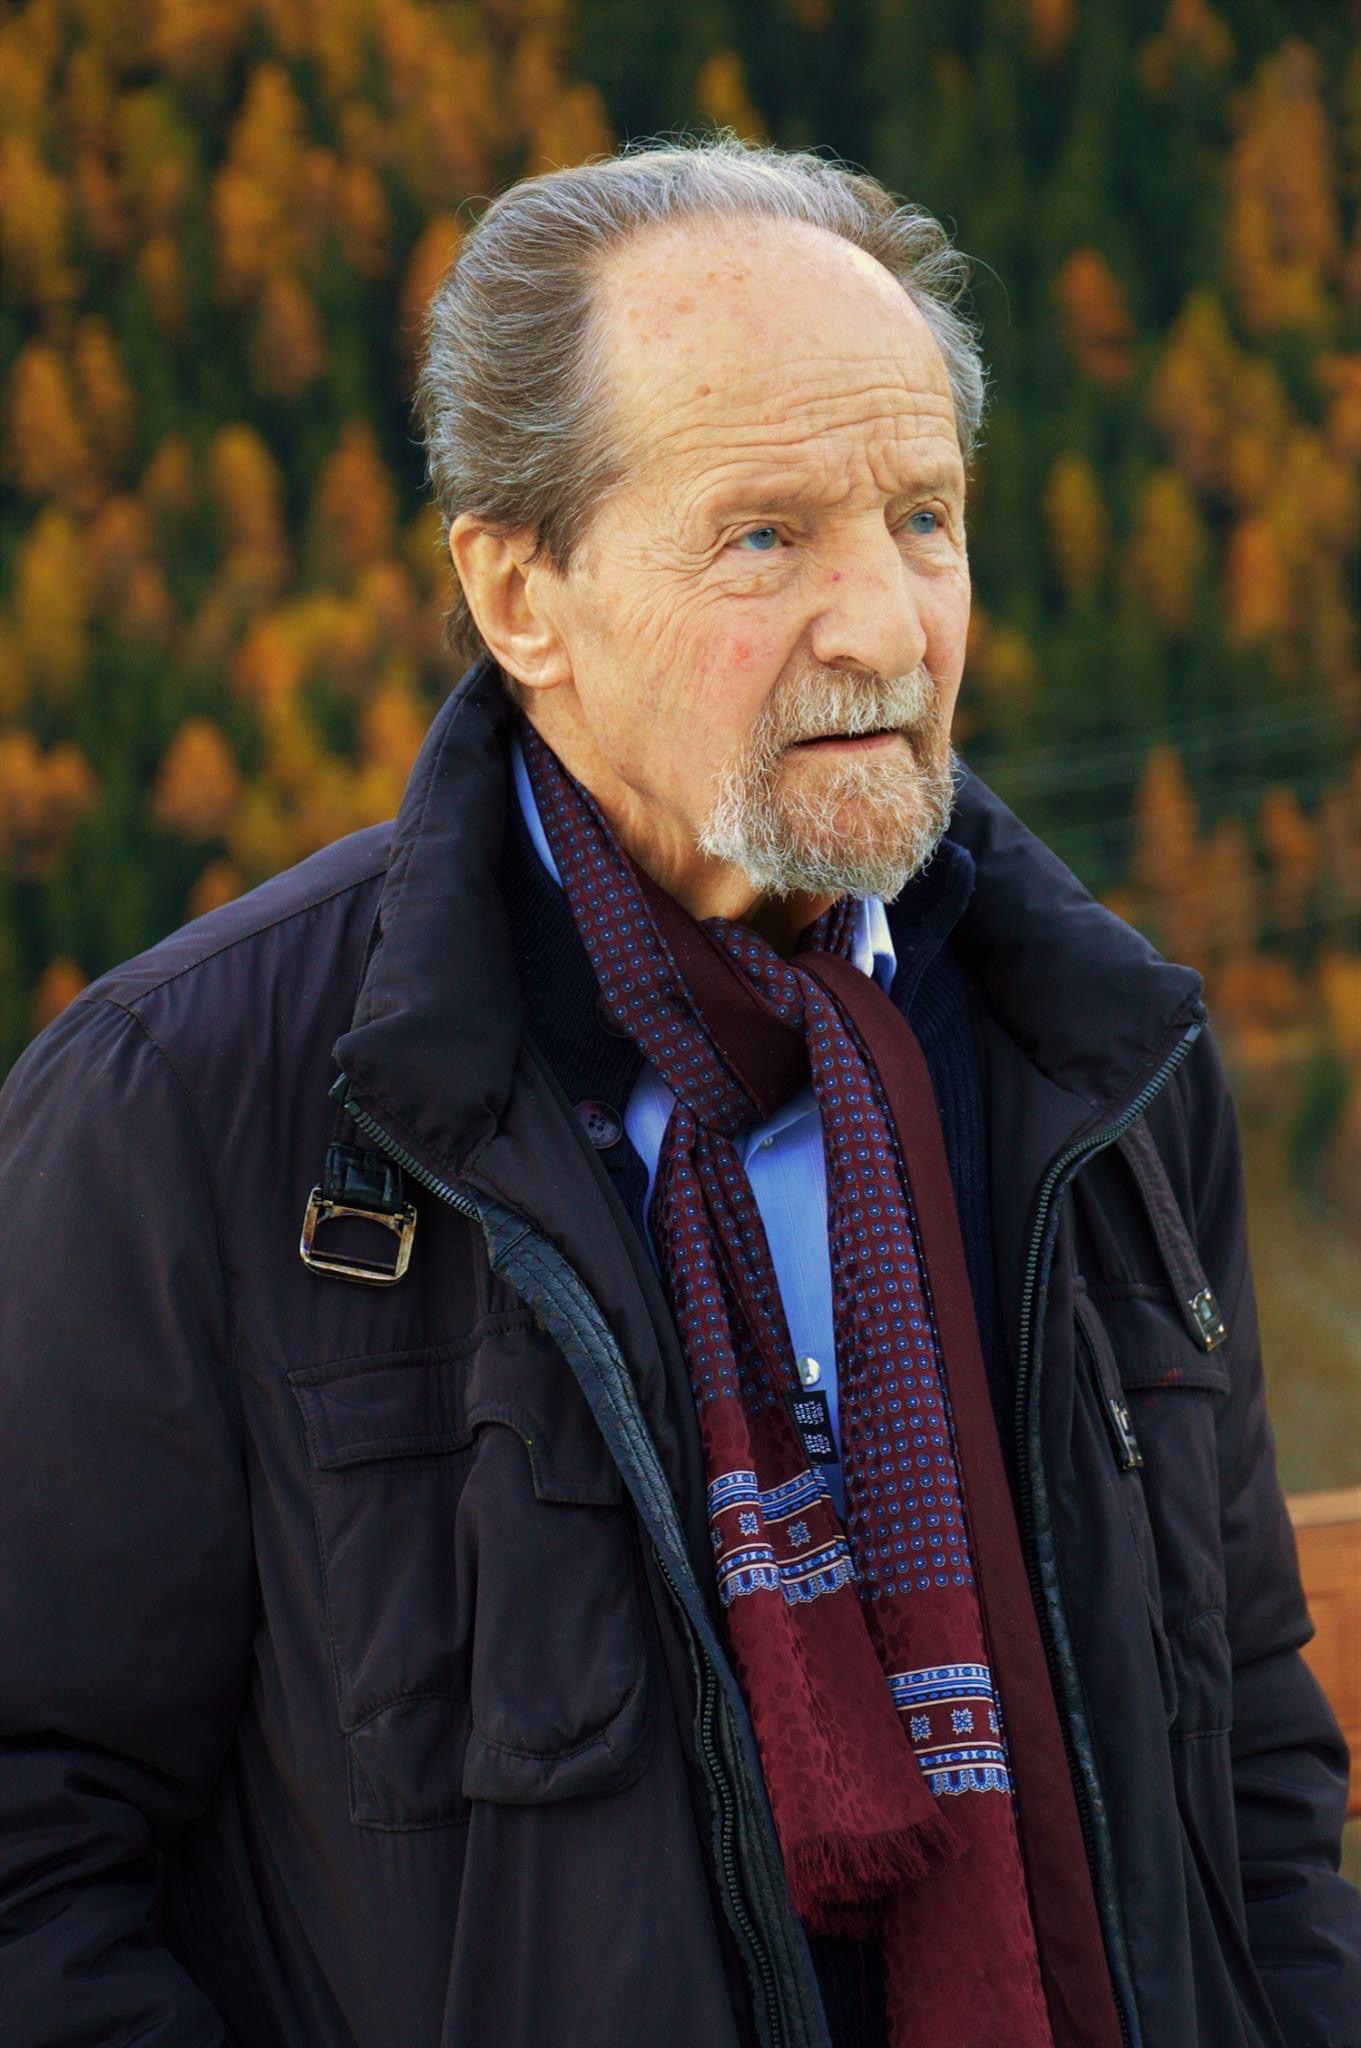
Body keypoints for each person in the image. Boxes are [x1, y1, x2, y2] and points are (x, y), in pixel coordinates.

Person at [0, 135, 1356, 2048]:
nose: (884, 626)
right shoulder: (188, 1113)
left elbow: (1248, 1776)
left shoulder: (1099, 1063)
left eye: (923, 518)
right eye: (763, 538)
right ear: (519, 594)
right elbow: (33, 1860)